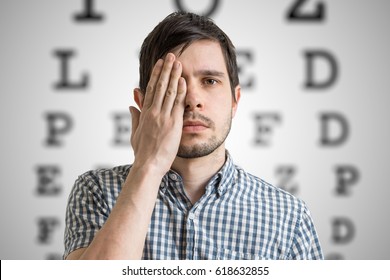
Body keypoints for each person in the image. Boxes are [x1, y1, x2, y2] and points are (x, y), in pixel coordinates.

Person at [63, 11, 324, 260]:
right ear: (143, 103)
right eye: (174, 83)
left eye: (210, 81)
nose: (192, 100)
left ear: (235, 100)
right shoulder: (97, 191)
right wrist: (149, 165)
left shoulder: (289, 217)